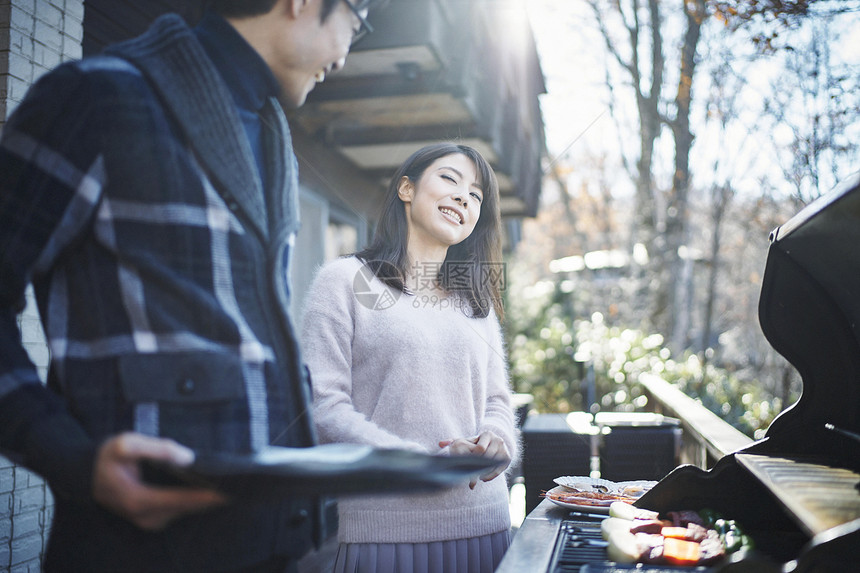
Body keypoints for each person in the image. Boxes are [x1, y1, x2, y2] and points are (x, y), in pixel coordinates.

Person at [0, 0, 384, 571]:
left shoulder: (272, 131)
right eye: (355, 24)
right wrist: (70, 456)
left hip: (280, 541)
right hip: (139, 548)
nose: (345, 57)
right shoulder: (95, 97)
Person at [301, 143, 519, 573]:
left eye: (476, 195)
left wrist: (497, 439)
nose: (463, 197)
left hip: (486, 526)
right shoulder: (344, 281)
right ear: (406, 187)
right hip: (386, 531)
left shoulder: (475, 301)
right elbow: (322, 407)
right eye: (450, 180)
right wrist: (423, 463)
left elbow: (497, 401)